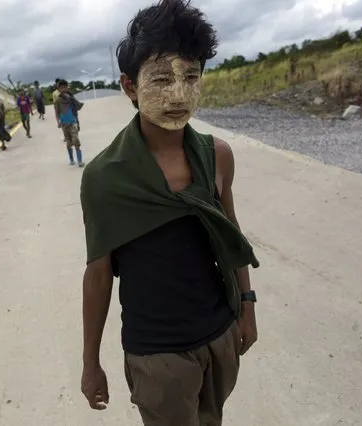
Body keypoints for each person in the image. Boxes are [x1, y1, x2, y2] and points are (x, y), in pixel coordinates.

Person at [79, 1, 260, 425]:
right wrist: (91, 362)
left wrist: (247, 307)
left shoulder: (217, 156)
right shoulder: (104, 178)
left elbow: (231, 237)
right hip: (157, 355)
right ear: (130, 87)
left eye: (191, 77)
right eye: (161, 79)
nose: (179, 95)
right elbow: (99, 273)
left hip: (219, 335)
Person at [54, 79, 84, 167]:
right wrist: (58, 122)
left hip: (73, 122)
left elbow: (78, 107)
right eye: (61, 88)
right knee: (69, 143)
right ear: (58, 89)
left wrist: (73, 100)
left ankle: (80, 161)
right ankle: (71, 159)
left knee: (76, 141)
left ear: (67, 87)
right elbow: (57, 113)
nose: (63, 89)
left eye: (65, 87)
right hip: (64, 124)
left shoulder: (71, 98)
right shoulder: (58, 101)